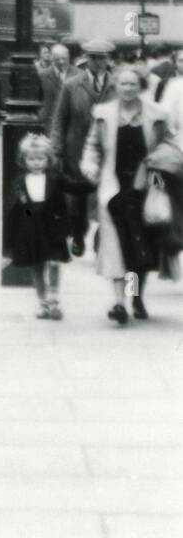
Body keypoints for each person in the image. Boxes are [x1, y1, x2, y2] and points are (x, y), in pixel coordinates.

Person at [80, 64, 171, 324]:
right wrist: (90, 165)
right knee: (117, 247)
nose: (128, 88)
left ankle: (137, 298)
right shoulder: (103, 113)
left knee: (140, 247)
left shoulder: (157, 114)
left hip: (146, 187)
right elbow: (92, 145)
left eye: (133, 84)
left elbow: (170, 144)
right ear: (115, 86)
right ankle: (119, 303)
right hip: (114, 187)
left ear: (140, 86)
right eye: (123, 84)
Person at [52, 38, 116, 256]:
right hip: (76, 150)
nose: (97, 63)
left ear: (108, 60)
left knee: (105, 198)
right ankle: (78, 235)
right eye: (93, 58)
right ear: (86, 59)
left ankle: (101, 237)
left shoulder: (117, 85)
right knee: (77, 199)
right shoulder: (71, 85)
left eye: (102, 58)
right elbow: (60, 119)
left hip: (108, 151)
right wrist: (57, 150)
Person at [3, 133, 70, 319]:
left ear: (48, 159)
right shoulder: (19, 183)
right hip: (31, 231)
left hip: (52, 229)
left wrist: (91, 182)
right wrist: (10, 242)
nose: (36, 162)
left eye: (40, 158)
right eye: (31, 159)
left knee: (54, 262)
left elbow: (70, 192)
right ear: (24, 160)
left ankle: (54, 299)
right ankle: (42, 302)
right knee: (37, 266)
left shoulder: (55, 179)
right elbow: (14, 211)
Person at [38, 44, 65, 133]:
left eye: (64, 58)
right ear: (52, 58)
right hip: (47, 121)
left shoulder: (74, 75)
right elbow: (39, 98)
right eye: (58, 58)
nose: (61, 61)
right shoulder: (43, 76)